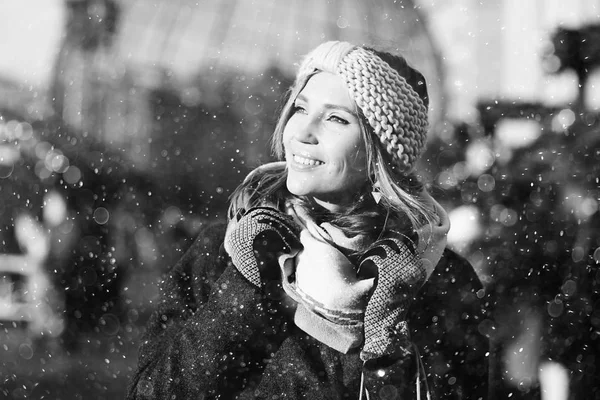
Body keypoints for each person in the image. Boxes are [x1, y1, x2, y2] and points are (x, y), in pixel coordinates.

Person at [126, 41, 489, 399]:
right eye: (300, 109)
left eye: (335, 118)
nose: (302, 132)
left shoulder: (437, 281)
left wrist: (386, 351)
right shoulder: (226, 250)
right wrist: (243, 289)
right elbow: (153, 392)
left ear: (379, 152)